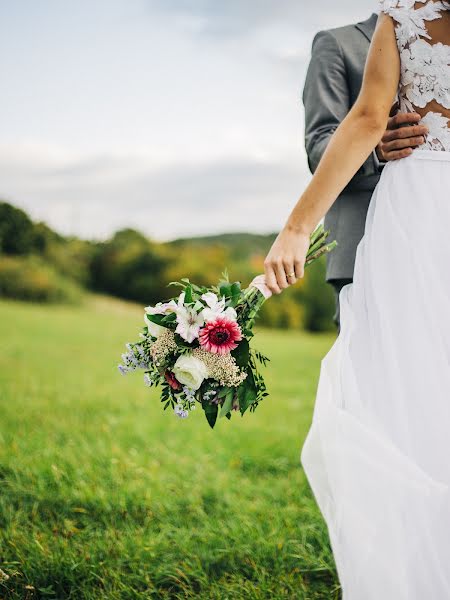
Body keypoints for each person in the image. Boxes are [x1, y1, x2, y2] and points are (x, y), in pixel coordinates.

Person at [264, 1, 450, 597]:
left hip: (420, 211)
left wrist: (296, 226)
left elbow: (368, 115)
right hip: (396, 230)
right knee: (404, 388)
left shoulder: (409, 14)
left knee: (396, 399)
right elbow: (329, 135)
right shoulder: (336, 42)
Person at [303, 12, 428, 329]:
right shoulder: (337, 44)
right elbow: (319, 148)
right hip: (362, 242)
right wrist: (373, 146)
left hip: (435, 237)